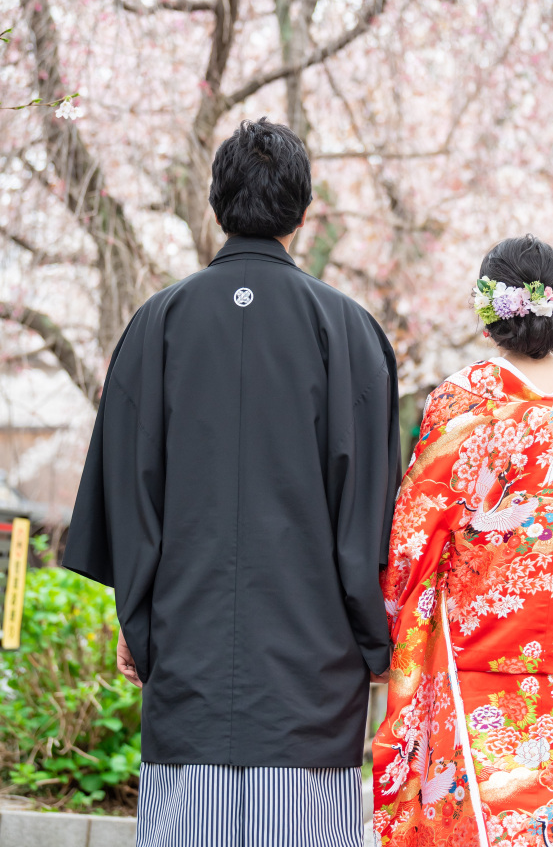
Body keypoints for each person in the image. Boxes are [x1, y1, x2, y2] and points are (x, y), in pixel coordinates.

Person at [63, 119, 401, 847]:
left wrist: (139, 619)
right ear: (304, 211)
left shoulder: (157, 324)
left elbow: (129, 495)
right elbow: (370, 513)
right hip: (312, 683)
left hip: (190, 666)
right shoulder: (350, 333)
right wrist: (376, 644)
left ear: (217, 203)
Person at [373, 235, 553, 847]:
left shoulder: (463, 399)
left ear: (488, 312)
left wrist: (391, 626)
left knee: (482, 812)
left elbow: (416, 534)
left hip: (478, 649)